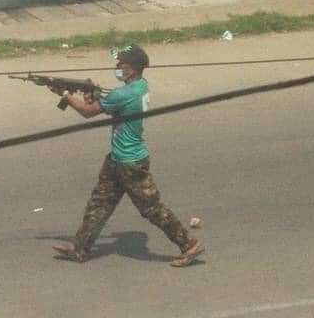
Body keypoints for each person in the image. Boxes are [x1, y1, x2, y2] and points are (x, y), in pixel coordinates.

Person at [51, 45, 205, 267]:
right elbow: (105, 104)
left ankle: (188, 245)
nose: (117, 67)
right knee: (99, 204)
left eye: (121, 64)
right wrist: (91, 95)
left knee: (152, 209)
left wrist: (65, 95)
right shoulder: (140, 86)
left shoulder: (123, 93)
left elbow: (88, 112)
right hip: (117, 159)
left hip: (131, 163)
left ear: (132, 68)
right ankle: (80, 248)